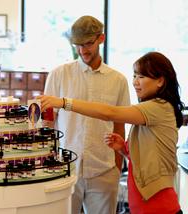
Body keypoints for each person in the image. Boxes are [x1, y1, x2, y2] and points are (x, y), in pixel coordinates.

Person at [39, 51, 184, 214]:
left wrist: (64, 102)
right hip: (145, 207)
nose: (135, 82)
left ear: (160, 81)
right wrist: (124, 150)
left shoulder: (159, 107)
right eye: (135, 76)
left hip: (159, 208)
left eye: (142, 77)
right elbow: (150, 157)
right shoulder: (154, 109)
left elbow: (110, 113)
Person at [43, 15, 130, 214]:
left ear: (101, 38)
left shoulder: (118, 80)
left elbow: (119, 125)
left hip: (104, 169)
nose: (82, 50)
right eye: (77, 45)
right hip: (65, 168)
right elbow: (48, 123)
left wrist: (117, 168)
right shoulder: (59, 74)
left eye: (88, 43)